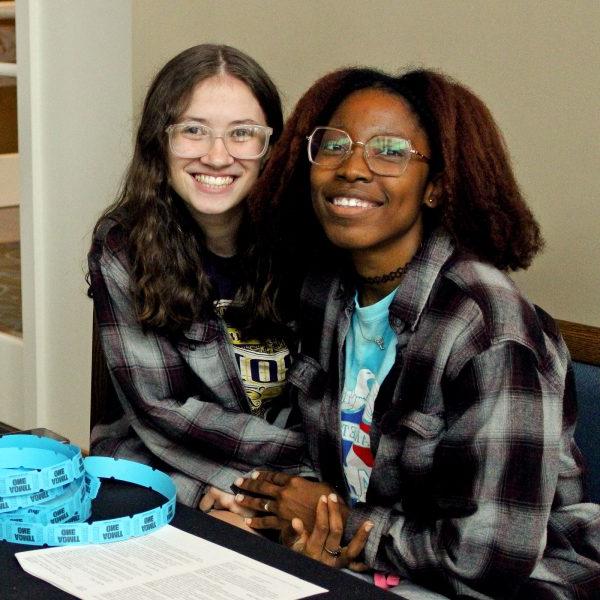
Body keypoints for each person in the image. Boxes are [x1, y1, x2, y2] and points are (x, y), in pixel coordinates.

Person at [233, 67, 600, 598]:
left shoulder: (491, 331)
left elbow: (490, 557)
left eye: (390, 151)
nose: (352, 167)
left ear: (437, 187)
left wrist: (345, 530)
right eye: (335, 145)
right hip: (382, 567)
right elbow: (329, 474)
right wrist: (310, 522)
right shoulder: (327, 291)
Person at [87, 44, 314, 520]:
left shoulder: (311, 241)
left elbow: (331, 401)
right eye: (193, 131)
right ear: (160, 142)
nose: (217, 156)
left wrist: (297, 483)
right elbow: (160, 408)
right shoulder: (122, 247)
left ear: (271, 146)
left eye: (242, 134)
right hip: (167, 460)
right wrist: (230, 487)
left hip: (301, 479)